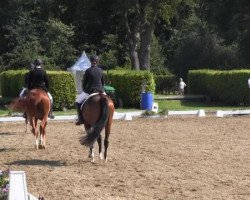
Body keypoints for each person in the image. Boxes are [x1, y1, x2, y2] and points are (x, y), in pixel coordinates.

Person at [75, 55, 105, 125]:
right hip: (101, 91)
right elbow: (103, 83)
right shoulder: (101, 71)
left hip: (90, 91)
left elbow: (84, 83)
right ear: (97, 61)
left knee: (77, 102)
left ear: (90, 61)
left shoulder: (88, 71)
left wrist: (85, 90)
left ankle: (80, 118)